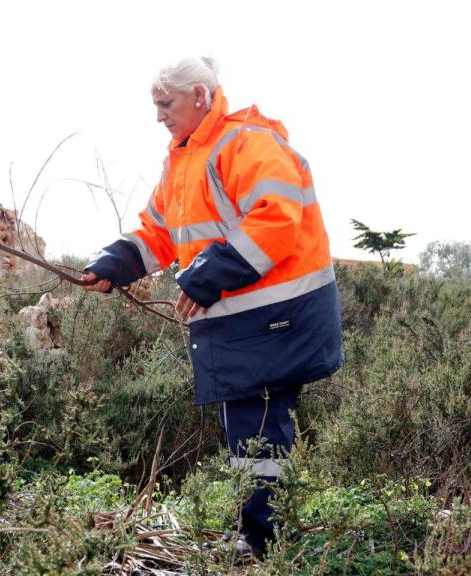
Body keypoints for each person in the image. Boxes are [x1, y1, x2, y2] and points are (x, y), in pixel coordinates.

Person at [82, 56, 343, 556]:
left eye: (166, 104)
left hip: (278, 317)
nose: (159, 115)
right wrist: (115, 263)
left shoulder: (247, 143)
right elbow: (158, 233)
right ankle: (260, 534)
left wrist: (206, 275)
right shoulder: (184, 160)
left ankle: (263, 541)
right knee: (249, 427)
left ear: (200, 96)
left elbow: (276, 221)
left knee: (258, 427)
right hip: (248, 321)